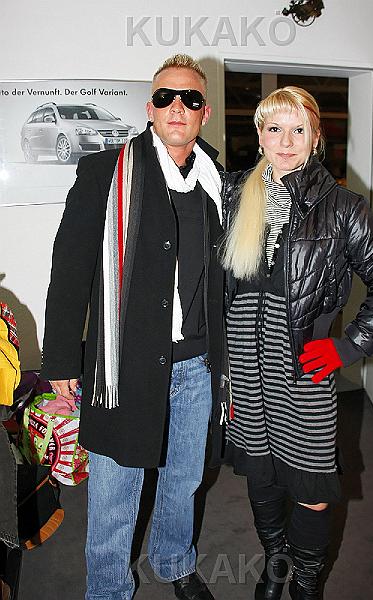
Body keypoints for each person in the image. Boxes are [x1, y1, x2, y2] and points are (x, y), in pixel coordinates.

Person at [41, 54, 226, 600]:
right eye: (166, 97)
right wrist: (60, 361)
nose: (177, 107)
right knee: (115, 490)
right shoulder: (106, 172)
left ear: (205, 112)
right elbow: (70, 269)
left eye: (190, 99)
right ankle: (107, 589)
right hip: (123, 364)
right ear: (150, 108)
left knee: (184, 480)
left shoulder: (217, 181)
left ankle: (174, 562)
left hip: (196, 362)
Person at [221, 86, 373, 600]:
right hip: (244, 368)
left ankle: (306, 583)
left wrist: (348, 348)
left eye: (298, 130)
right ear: (260, 135)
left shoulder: (343, 207)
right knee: (261, 478)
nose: (286, 142)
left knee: (311, 486)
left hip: (303, 370)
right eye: (275, 129)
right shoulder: (233, 195)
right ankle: (276, 565)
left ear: (316, 137)